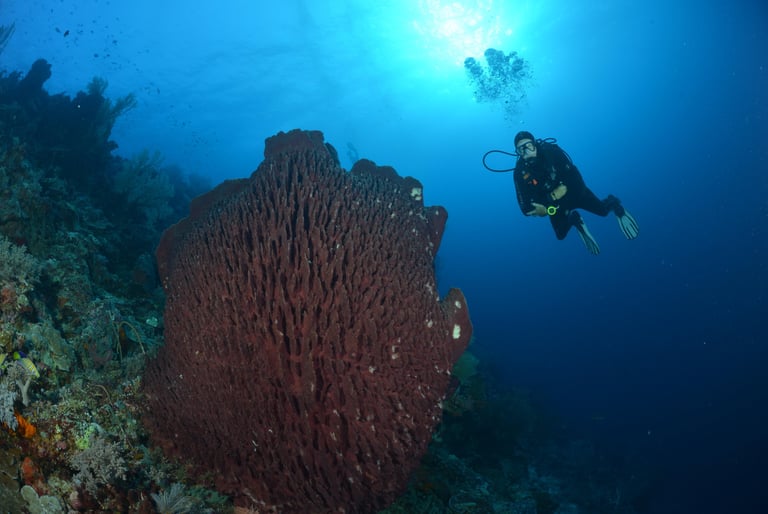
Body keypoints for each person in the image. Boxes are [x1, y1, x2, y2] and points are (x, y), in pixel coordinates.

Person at [512, 131, 638, 254]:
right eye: (520, 149)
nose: (526, 151)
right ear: (517, 153)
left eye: (528, 145)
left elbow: (576, 179)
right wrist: (547, 203)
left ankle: (614, 203)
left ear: (535, 144)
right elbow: (525, 208)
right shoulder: (519, 172)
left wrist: (556, 196)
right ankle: (574, 219)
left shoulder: (551, 152)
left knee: (603, 212)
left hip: (576, 193)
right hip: (554, 205)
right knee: (560, 234)